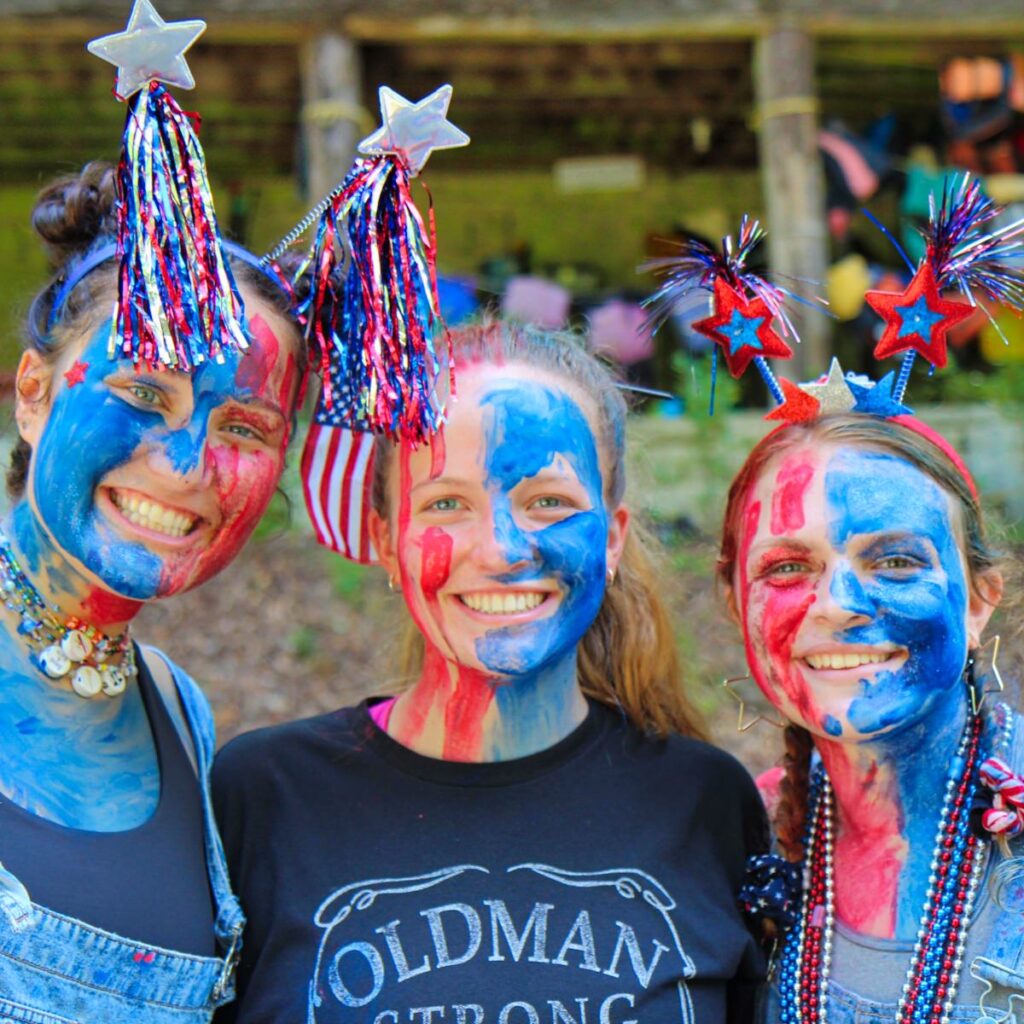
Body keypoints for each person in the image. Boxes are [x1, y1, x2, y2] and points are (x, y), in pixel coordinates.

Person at [213, 320, 768, 1024]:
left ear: (613, 537)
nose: (502, 549)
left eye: (549, 503)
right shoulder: (264, 799)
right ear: (387, 539)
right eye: (446, 503)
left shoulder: (705, 803)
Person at [0, 162, 305, 1021]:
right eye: (143, 391)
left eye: (243, 426)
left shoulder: (180, 716)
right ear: (34, 394)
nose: (187, 465)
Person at [716, 412, 1023, 1023]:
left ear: (979, 599)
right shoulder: (745, 836)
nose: (837, 605)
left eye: (896, 562)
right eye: (786, 567)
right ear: (735, 602)